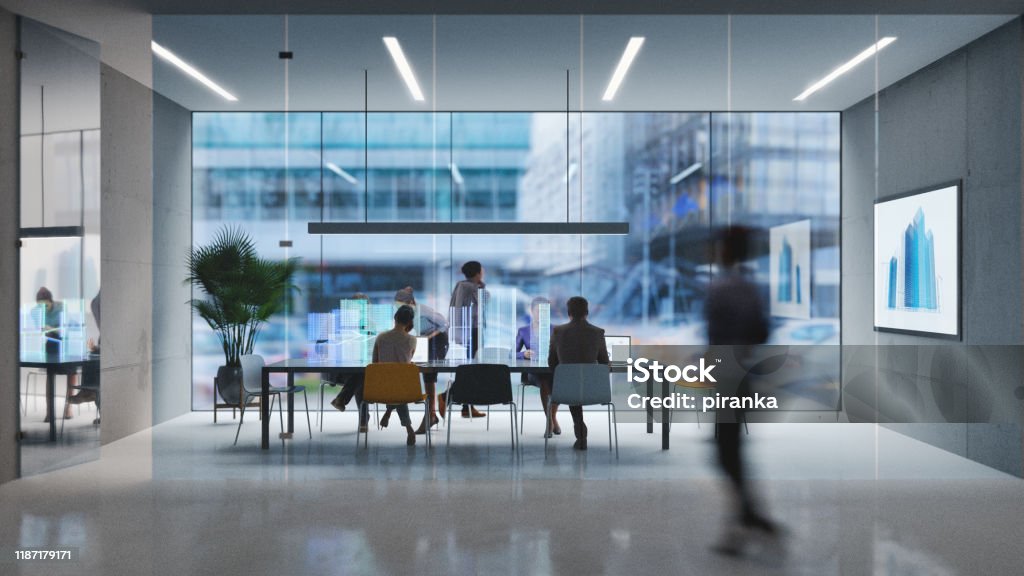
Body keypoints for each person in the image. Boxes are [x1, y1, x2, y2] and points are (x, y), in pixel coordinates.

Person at [703, 226, 781, 555]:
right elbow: (763, 331)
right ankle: (748, 517)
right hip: (743, 373)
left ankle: (748, 519)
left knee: (725, 452)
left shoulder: (723, 288)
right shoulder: (749, 288)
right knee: (730, 450)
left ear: (726, 250)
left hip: (727, 376)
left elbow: (716, 337)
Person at [547, 296, 608, 450]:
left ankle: (580, 431)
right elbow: (604, 363)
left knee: (572, 384)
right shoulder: (598, 333)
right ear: (587, 312)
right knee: (578, 383)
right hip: (593, 389)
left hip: (565, 389)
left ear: (569, 313)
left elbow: (551, 363)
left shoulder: (558, 332)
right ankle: (580, 432)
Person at [393, 287, 448, 434]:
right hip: (426, 342)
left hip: (438, 341)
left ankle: (430, 415)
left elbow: (444, 324)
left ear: (411, 302)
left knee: (429, 375)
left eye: (402, 305)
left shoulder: (424, 311)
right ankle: (431, 414)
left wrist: (428, 337)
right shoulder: (412, 312)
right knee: (426, 376)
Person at [366, 305, 419, 446]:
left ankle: (389, 412)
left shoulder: (381, 337)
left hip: (382, 387)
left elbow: (374, 363)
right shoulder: (412, 340)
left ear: (395, 318)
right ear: (409, 322)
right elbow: (407, 361)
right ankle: (408, 428)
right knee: (399, 385)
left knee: (393, 383)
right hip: (404, 388)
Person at [441, 261, 486, 419]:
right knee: (469, 371)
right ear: (477, 273)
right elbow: (483, 302)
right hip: (471, 332)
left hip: (469, 331)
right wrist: (482, 287)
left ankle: (467, 407)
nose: (483, 272)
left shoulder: (462, 285)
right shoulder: (470, 287)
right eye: (481, 270)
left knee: (469, 370)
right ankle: (445, 397)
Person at [516, 296, 559, 437]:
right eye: (538, 311)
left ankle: (552, 419)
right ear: (531, 311)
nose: (541, 314)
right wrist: (524, 354)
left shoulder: (557, 330)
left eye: (545, 311)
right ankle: (550, 422)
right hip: (533, 372)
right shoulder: (523, 331)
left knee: (555, 379)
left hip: (553, 369)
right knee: (546, 380)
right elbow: (512, 354)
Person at [36, 287, 76, 421]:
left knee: (71, 372)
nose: (43, 308)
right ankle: (49, 411)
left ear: (51, 301)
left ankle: (68, 407)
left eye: (45, 305)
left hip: (67, 342)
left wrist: (50, 328)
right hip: (52, 342)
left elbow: (66, 330)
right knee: (50, 373)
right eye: (40, 305)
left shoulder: (61, 308)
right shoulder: (37, 311)